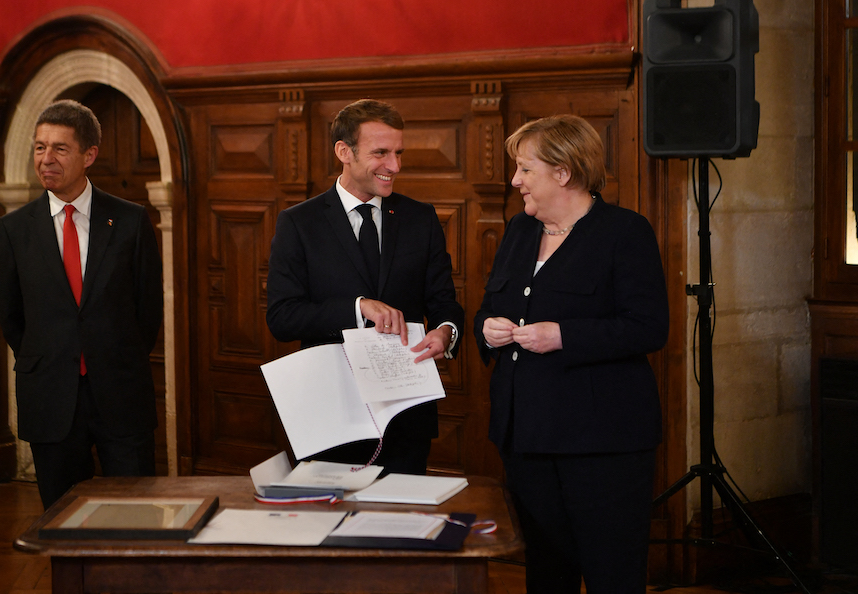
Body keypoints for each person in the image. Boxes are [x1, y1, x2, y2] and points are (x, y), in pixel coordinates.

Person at [474, 115, 668, 593]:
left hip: (601, 442)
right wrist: (487, 328)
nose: (515, 180)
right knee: (546, 572)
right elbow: (489, 306)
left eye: (524, 169)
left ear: (562, 173)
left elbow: (648, 327)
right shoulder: (520, 229)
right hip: (526, 438)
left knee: (611, 574)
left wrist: (563, 335)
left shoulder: (625, 232)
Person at [266, 99, 464, 475]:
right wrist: (359, 308)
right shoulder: (299, 224)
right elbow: (281, 317)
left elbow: (444, 302)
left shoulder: (421, 219)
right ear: (344, 151)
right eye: (381, 153)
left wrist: (446, 333)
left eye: (398, 153)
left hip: (406, 418)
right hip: (331, 417)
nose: (395, 166)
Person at [0, 99, 163, 509]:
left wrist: (112, 356)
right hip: (50, 397)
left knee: (136, 514)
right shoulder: (14, 230)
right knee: (62, 518)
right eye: (39, 147)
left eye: (59, 149)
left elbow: (148, 311)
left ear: (89, 155)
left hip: (120, 395)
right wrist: (54, 355)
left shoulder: (129, 220)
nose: (46, 158)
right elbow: (11, 317)